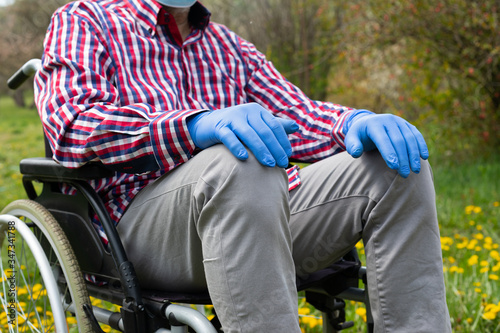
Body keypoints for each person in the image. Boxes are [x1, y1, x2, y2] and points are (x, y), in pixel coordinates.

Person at [34, 0, 452, 331]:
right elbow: (71, 126)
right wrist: (195, 126)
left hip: (256, 213)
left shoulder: (228, 46)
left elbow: (296, 113)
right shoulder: (86, 20)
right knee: (238, 155)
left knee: (395, 164)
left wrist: (355, 122)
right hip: (141, 227)